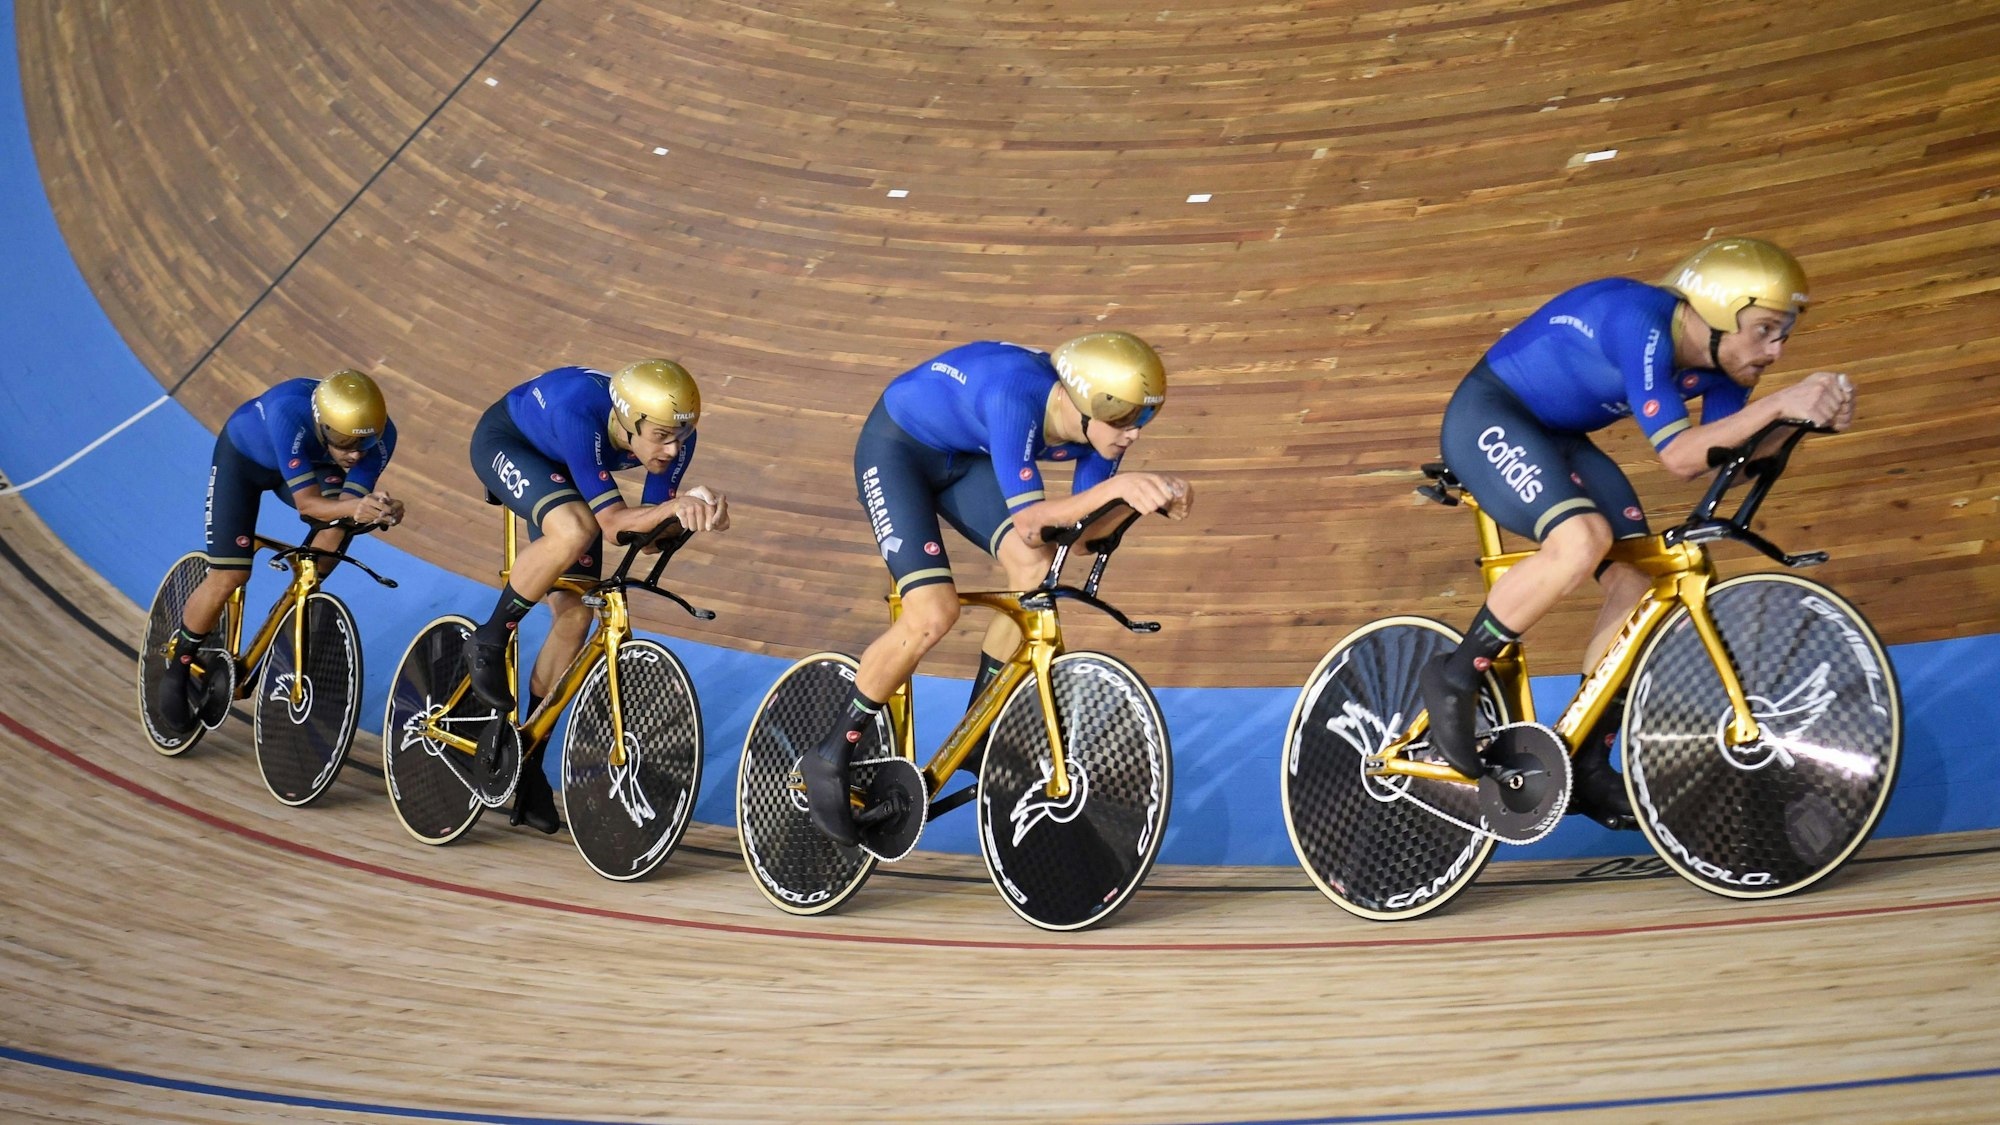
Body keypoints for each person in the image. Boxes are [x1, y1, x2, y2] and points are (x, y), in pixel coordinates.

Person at [1421, 236, 1855, 828]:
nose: (1776, 351)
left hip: (1559, 438)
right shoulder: (1642, 321)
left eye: (1785, 335)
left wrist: (1800, 421)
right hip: (1492, 416)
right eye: (1766, 329)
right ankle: (1454, 673)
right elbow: (1679, 457)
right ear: (1720, 311)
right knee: (1581, 540)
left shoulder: (1723, 362)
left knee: (1642, 584)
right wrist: (1782, 403)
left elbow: (1730, 463)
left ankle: (1589, 760)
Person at [799, 331, 1194, 846]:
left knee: (1036, 570)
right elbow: (1031, 522)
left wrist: (1147, 500)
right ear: (1083, 403)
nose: (1134, 434)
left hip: (965, 454)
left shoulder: (1101, 434)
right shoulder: (1016, 395)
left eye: (1144, 419)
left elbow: (1079, 540)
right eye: (1125, 420)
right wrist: (1118, 489)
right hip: (897, 449)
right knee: (933, 612)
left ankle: (980, 725)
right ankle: (830, 754)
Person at [462, 360, 729, 833]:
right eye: (663, 437)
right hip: (510, 443)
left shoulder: (676, 440)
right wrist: (667, 506)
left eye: (682, 437)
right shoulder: (578, 412)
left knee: (575, 615)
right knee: (575, 530)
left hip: (564, 466)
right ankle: (488, 638)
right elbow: (609, 525)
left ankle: (528, 761)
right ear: (629, 421)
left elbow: (642, 535)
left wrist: (694, 516)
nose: (673, 448)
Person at [157, 369, 403, 731]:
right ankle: (178, 667)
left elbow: (349, 505)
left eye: (362, 444)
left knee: (342, 522)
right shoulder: (288, 411)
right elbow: (308, 506)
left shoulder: (381, 439)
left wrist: (380, 508)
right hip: (243, 463)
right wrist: (354, 507)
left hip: (312, 466)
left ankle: (300, 593)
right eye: (344, 441)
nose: (354, 454)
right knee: (230, 575)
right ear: (321, 424)